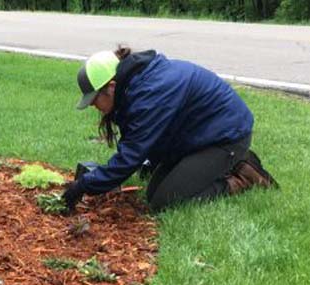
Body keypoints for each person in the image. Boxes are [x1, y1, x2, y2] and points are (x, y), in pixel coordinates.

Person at [62, 48, 277, 214]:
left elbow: (130, 157)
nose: (92, 106)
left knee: (165, 202)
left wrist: (83, 185)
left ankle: (242, 176)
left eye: (94, 99)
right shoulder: (134, 85)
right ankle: (225, 165)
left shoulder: (148, 94)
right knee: (153, 192)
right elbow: (143, 140)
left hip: (226, 136)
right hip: (198, 137)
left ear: (111, 86)